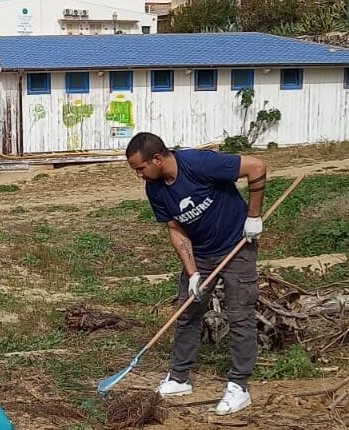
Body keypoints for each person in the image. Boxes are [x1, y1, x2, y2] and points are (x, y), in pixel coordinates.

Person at [126, 132, 267, 416]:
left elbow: (257, 167)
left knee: (239, 314)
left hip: (236, 245)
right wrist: (192, 273)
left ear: (156, 159)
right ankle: (179, 378)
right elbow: (176, 230)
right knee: (188, 311)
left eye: (140, 169)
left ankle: (239, 386)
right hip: (201, 253)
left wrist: (253, 216)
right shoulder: (155, 189)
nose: (139, 175)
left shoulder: (199, 163)